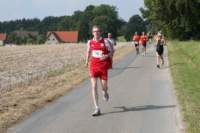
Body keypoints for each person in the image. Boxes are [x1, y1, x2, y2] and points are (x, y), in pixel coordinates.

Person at [85, 25, 113, 116]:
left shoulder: (105, 41)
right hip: (93, 66)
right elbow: (88, 51)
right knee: (93, 86)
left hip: (103, 66)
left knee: (104, 87)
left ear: (100, 32)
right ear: (92, 33)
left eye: (98, 31)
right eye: (94, 31)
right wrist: (86, 61)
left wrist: (106, 56)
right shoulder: (90, 42)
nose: (96, 33)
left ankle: (105, 92)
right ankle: (97, 108)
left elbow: (112, 51)